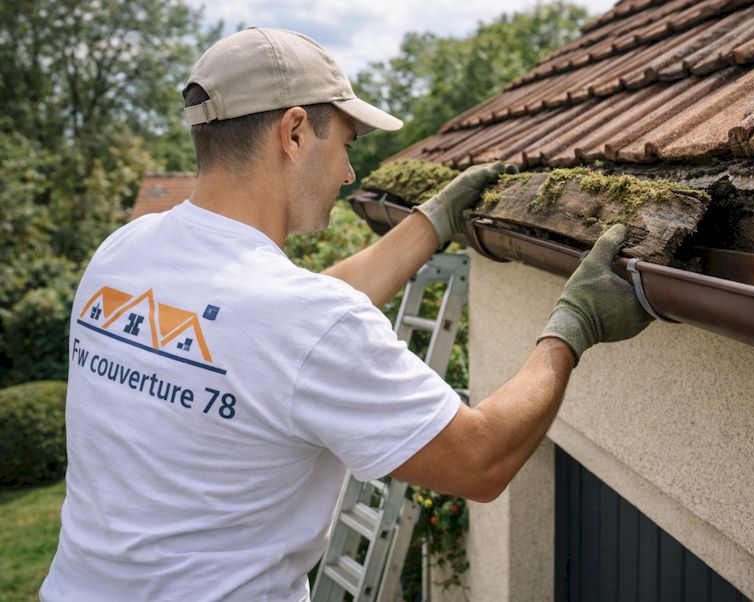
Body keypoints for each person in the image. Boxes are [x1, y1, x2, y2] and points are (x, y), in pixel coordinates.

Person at [40, 27, 651, 601]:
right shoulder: (298, 319)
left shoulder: (125, 250)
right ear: (296, 133)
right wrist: (573, 325)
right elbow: (481, 459)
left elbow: (274, 334)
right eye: (347, 145)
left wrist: (430, 223)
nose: (351, 172)